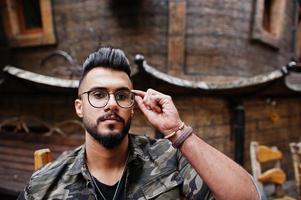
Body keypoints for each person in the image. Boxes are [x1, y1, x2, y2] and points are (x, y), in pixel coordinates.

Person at [18, 47, 261, 200]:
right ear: (79, 107)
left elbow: (249, 197)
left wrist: (178, 132)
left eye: (122, 95)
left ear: (133, 107)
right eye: (99, 94)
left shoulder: (170, 157)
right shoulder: (44, 184)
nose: (112, 104)